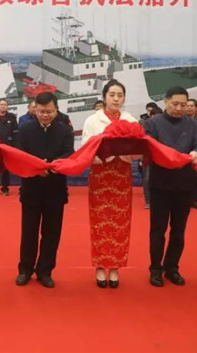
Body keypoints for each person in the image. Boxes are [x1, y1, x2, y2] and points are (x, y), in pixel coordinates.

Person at [144, 86, 197, 287]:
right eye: (175, 104)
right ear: (165, 101)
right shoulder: (153, 123)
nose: (179, 108)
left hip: (185, 183)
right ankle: (155, 268)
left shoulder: (192, 123)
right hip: (160, 184)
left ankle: (172, 267)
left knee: (179, 230)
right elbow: (147, 147)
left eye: (184, 105)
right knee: (158, 229)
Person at [81, 80, 139, 288]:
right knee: (100, 221)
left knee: (120, 221)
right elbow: (86, 148)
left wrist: (126, 150)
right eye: (112, 94)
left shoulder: (130, 120)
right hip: (101, 174)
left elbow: (139, 150)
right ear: (104, 97)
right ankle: (99, 265)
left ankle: (115, 266)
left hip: (122, 174)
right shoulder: (92, 120)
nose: (116, 99)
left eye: (120, 95)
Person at [15, 92, 74, 288]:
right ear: (35, 110)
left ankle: (45, 271)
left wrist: (52, 166)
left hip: (55, 188)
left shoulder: (65, 130)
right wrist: (36, 167)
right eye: (41, 111)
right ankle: (25, 270)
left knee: (51, 234)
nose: (45, 115)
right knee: (28, 232)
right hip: (31, 188)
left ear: (56, 110)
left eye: (49, 111)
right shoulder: (25, 129)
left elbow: (69, 154)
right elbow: (19, 154)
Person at [0, 99, 18, 195]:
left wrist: (14, 146)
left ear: (7, 106)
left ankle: (5, 188)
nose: (3, 106)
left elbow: (15, 132)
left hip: (7, 146)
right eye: (1, 104)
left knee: (6, 168)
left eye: (5, 105)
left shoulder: (12, 118)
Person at [140, 105, 162, 209]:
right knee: (147, 179)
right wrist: (141, 158)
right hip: (148, 156)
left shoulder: (165, 127)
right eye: (154, 116)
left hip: (162, 156)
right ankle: (148, 201)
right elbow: (141, 143)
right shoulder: (145, 126)